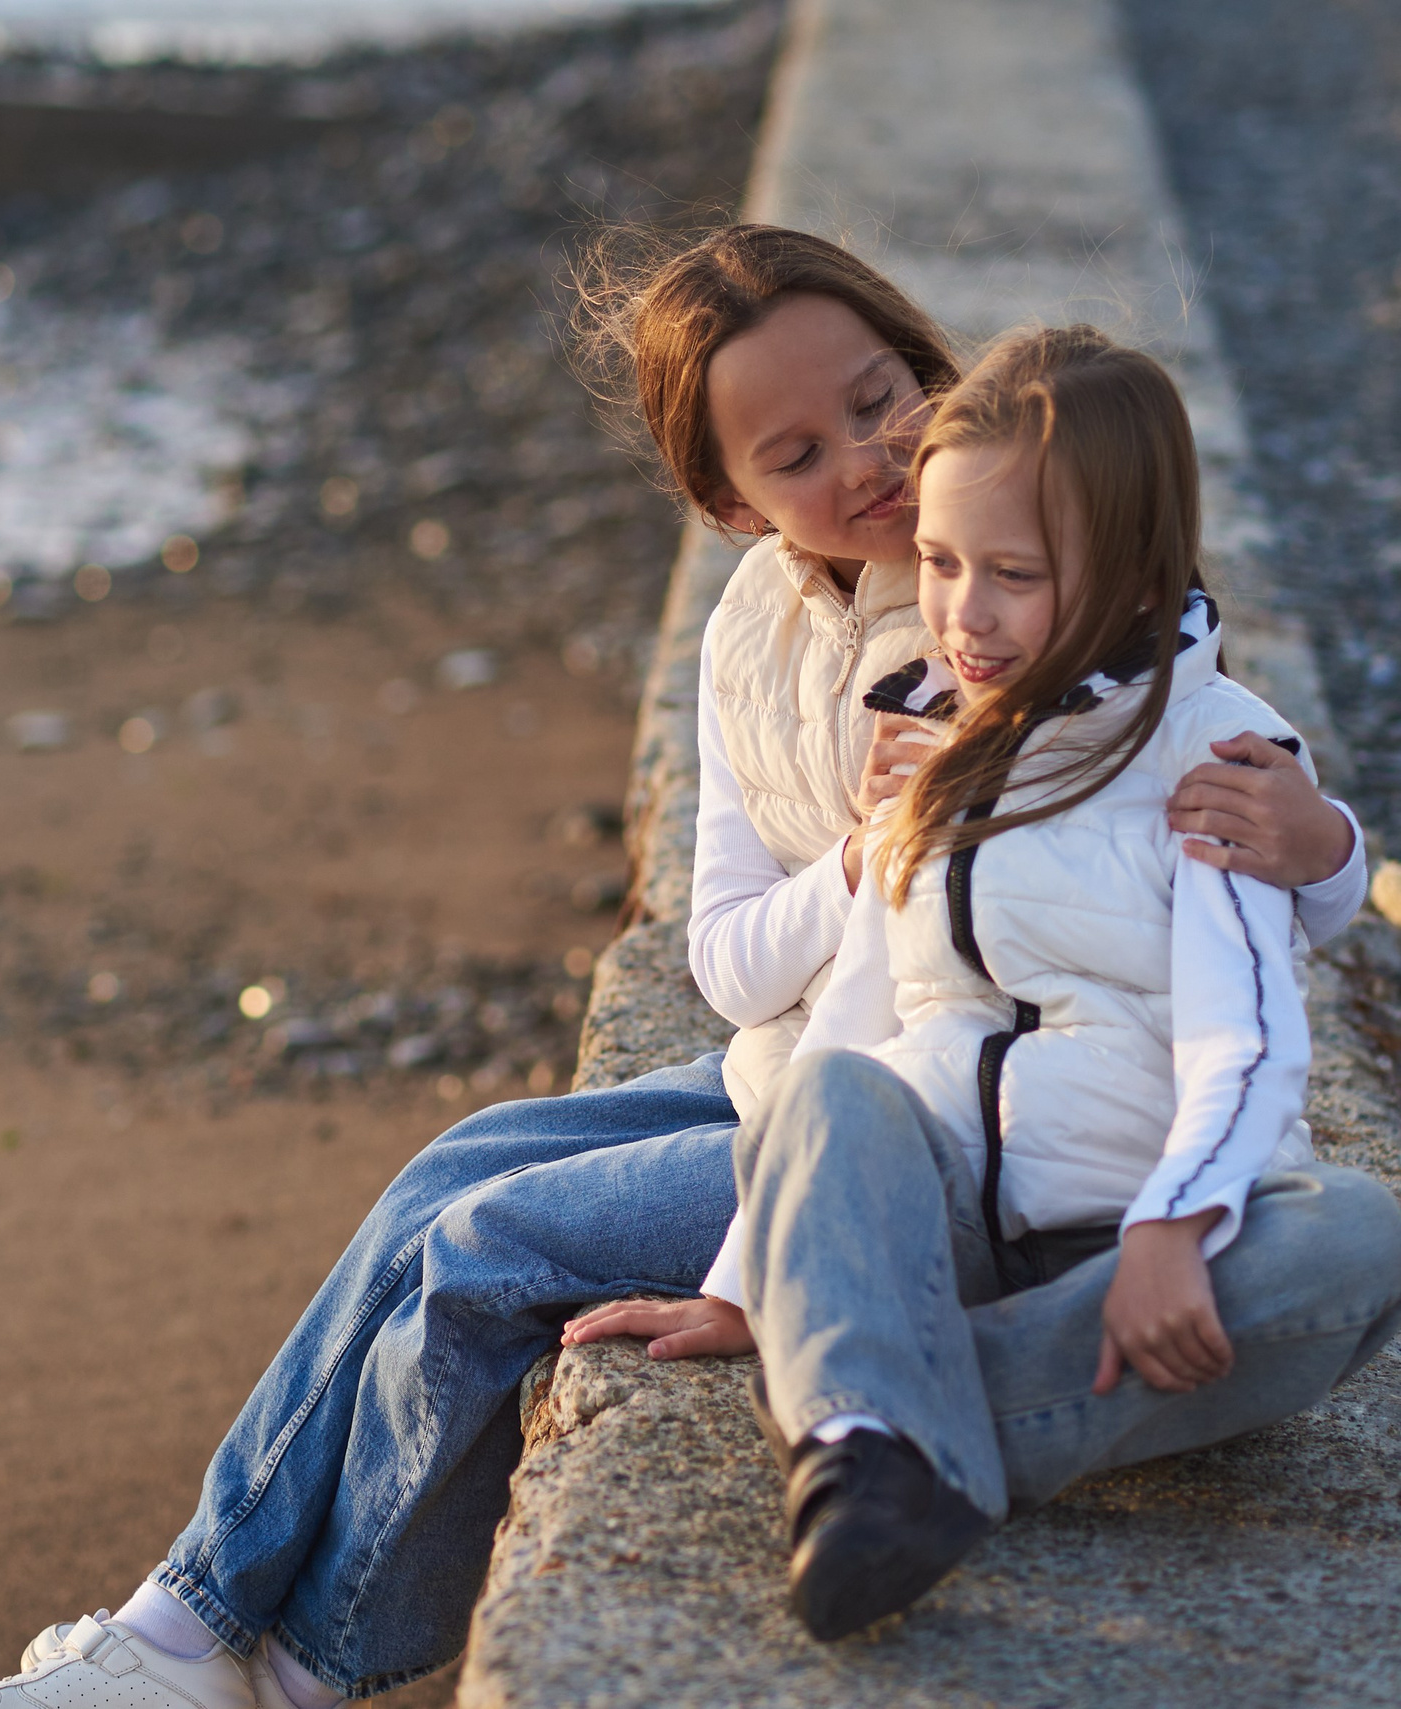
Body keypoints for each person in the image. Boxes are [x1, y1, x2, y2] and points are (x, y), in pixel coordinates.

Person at [0, 231, 1366, 1709]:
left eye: (880, 398)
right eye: (796, 454)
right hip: (792, 1059)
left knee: (487, 1245)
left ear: (926, 367)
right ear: (730, 502)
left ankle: (292, 1666)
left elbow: (1207, 824)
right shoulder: (769, 628)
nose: (869, 461)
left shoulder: (1011, 598)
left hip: (908, 1111)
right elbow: (732, 962)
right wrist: (865, 852)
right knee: (445, 1170)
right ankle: (185, 1616)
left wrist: (1319, 843)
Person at [570, 326, 1401, 1643]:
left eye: (1014, 574)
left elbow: (1242, 1036)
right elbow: (857, 1017)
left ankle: (879, 1433)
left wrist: (1171, 1228)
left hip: (1142, 1243)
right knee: (825, 1096)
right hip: (951, 1228)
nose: (964, 612)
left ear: (1134, 575)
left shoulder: (1219, 758)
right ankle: (883, 1419)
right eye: (944, 563)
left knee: (1356, 1238)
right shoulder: (930, 747)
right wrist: (750, 1277)